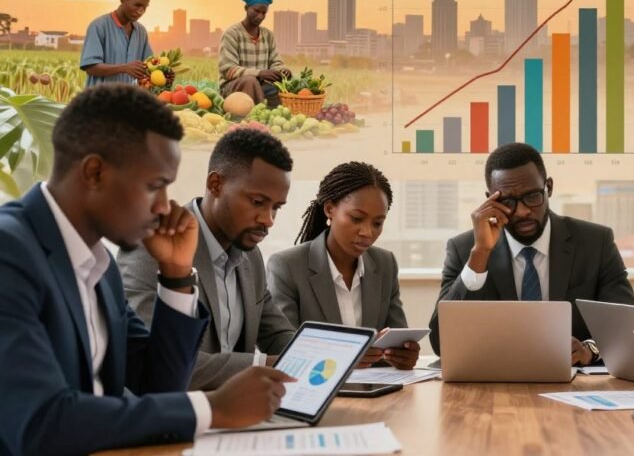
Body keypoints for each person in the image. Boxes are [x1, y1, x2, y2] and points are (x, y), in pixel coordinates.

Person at [0, 85, 292, 455]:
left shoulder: (98, 268)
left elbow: (156, 387)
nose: (162, 206)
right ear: (95, 172)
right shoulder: (10, 252)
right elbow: (39, 420)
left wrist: (175, 274)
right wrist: (212, 408)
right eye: (154, 186)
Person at [118, 128, 296, 390]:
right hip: (175, 419)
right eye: (257, 202)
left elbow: (277, 333)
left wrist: (331, 355)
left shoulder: (250, 255)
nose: (268, 219)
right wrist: (264, 366)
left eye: (276, 207)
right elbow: (154, 360)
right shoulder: (153, 247)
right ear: (216, 184)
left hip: (240, 416)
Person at [428, 142, 634, 364]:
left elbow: (629, 334)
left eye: (532, 196)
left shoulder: (595, 243)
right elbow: (442, 344)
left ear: (549, 187)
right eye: (507, 201)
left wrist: (590, 349)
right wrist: (480, 254)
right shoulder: (465, 250)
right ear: (490, 199)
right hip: (496, 385)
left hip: (574, 385)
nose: (523, 211)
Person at [268, 162, 419, 370]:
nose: (367, 232)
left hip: (375, 392)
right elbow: (282, 347)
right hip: (313, 390)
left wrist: (403, 355)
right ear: (330, 209)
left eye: (377, 223)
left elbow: (395, 338)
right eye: (357, 218)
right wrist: (345, 356)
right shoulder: (287, 266)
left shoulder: (385, 264)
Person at [218, 0, 293, 107]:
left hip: (262, 85)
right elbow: (228, 70)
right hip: (233, 88)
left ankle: (275, 116)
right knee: (250, 81)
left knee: (283, 85)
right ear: (246, 8)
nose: (260, 16)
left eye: (264, 13)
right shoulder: (231, 34)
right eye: (256, 11)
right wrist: (259, 73)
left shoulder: (268, 35)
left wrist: (282, 70)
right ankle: (257, 118)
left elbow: (275, 61)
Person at [79, 0, 155, 87]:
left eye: (145, 7)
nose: (141, 11)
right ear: (123, 0)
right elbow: (90, 68)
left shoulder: (141, 31)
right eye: (137, 5)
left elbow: (149, 66)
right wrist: (124, 68)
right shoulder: (99, 26)